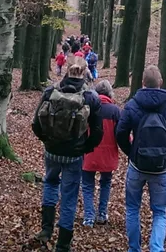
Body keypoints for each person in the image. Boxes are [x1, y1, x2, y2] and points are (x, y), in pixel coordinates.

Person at [32, 64, 103, 252]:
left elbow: (36, 124)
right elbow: (98, 132)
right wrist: (84, 148)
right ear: (85, 74)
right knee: (69, 196)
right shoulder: (91, 98)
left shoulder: (50, 92)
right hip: (74, 155)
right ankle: (63, 244)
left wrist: (46, 140)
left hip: (52, 151)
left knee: (50, 183)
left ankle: (46, 230)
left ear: (66, 72)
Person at [116, 66, 166, 252]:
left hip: (137, 166)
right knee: (160, 213)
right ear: (161, 83)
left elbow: (120, 133)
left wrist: (131, 152)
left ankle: (134, 249)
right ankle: (156, 248)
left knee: (132, 209)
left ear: (142, 83)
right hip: (163, 167)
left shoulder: (132, 104)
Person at [81, 80, 120, 227]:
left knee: (87, 185)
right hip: (108, 154)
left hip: (89, 152)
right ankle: (102, 213)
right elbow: (120, 133)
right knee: (106, 183)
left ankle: (88, 217)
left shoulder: (89, 108)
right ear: (110, 93)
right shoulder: (115, 111)